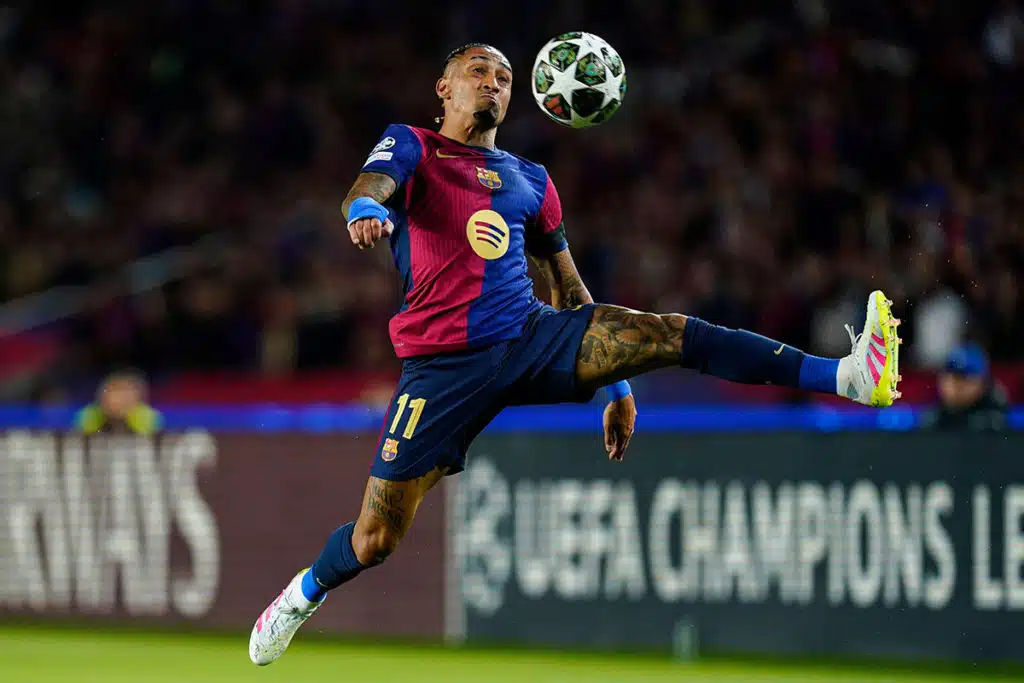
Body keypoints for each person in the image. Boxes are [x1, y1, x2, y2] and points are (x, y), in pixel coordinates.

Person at [248, 43, 902, 665]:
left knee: (668, 331)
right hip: (442, 368)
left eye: (504, 78)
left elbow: (567, 288)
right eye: (479, 71)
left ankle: (846, 375)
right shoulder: (415, 145)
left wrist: (618, 385)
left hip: (529, 336)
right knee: (375, 540)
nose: (493, 83)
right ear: (444, 88)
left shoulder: (530, 179)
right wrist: (363, 210)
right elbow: (366, 187)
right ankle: (302, 594)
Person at [920, 342, 1008, 431]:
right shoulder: (932, 418)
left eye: (964, 378)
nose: (956, 385)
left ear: (983, 383)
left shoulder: (997, 421)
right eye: (950, 377)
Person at [74, 369, 163, 436]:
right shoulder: (90, 417)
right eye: (114, 393)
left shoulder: (147, 418)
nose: (119, 401)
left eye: (125, 396)